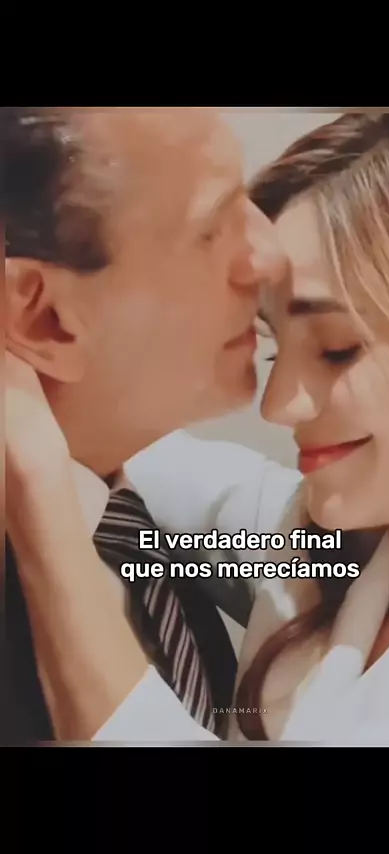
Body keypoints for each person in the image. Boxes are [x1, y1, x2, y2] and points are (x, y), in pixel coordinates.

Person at [124, 111, 389, 746]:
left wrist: (46, 533)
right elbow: (142, 459)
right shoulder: (317, 546)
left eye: (337, 349)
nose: (279, 404)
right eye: (272, 349)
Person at [3, 105, 288, 744]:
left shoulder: (138, 528)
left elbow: (316, 559)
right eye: (211, 228)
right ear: (45, 317)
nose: (268, 256)